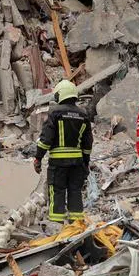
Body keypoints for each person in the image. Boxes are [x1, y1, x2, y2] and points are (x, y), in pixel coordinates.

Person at [32, 81, 90, 223]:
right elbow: (88, 143)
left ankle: (56, 226)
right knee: (75, 192)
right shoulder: (83, 114)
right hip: (77, 163)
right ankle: (76, 226)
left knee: (57, 192)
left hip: (58, 164)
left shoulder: (55, 112)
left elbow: (46, 140)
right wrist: (86, 163)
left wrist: (38, 158)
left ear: (60, 95)